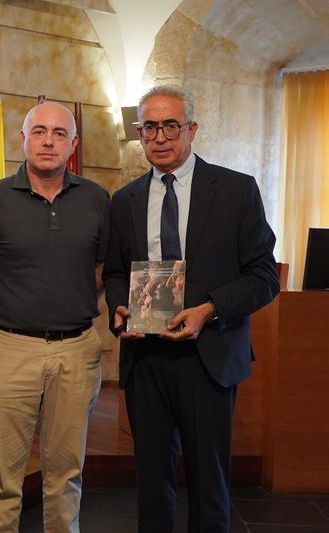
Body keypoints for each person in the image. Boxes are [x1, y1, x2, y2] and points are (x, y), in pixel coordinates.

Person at [102, 85, 279, 532]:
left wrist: (210, 309)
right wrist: (120, 308)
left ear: (191, 129)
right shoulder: (124, 200)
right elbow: (117, 273)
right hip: (146, 358)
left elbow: (264, 276)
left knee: (209, 481)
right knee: (152, 482)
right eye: (149, 128)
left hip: (210, 355)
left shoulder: (237, 191)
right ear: (139, 133)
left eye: (171, 126)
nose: (160, 137)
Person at [0, 101, 110, 533]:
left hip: (76, 348)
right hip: (10, 346)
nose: (48, 141)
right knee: (3, 481)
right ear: (22, 140)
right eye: (39, 132)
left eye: (58, 134)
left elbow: (103, 269)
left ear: (72, 145)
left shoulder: (95, 198)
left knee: (66, 474)